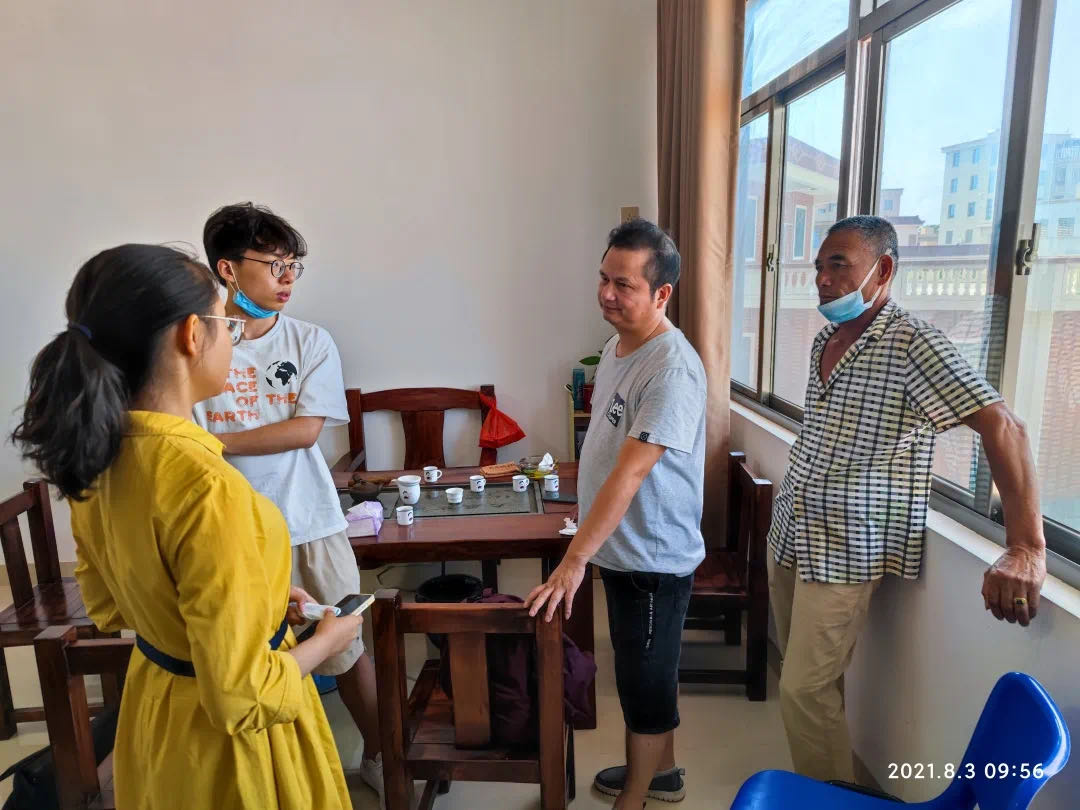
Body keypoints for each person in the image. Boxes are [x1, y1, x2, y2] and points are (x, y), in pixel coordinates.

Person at [12, 244, 359, 809]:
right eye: (227, 325)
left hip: (158, 713)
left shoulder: (97, 461)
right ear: (192, 336)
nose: (233, 339)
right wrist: (328, 642)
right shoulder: (211, 488)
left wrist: (266, 601)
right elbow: (242, 699)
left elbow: (112, 607)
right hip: (232, 755)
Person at [768, 215, 1047, 783]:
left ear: (883, 270)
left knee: (803, 690)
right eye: (819, 267)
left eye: (838, 265)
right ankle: (832, 785)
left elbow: (1005, 426)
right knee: (805, 682)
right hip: (792, 531)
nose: (822, 279)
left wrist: (1025, 546)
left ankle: (830, 800)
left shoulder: (912, 343)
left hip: (846, 548)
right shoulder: (826, 339)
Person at [192, 203, 384, 804]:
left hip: (308, 519)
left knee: (345, 644)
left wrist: (216, 442)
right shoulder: (196, 342)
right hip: (229, 531)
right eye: (274, 265)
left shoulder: (309, 341)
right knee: (248, 656)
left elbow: (305, 431)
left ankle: (381, 756)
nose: (288, 278)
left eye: (293, 265)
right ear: (228, 269)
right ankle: (272, 774)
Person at [525, 219, 707, 809]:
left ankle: (635, 797)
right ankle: (663, 772)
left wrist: (574, 559)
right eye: (603, 278)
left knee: (643, 682)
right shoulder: (617, 346)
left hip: (653, 557)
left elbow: (631, 472)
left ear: (661, 293)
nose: (606, 293)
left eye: (623, 284)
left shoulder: (671, 369)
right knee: (646, 670)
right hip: (623, 547)